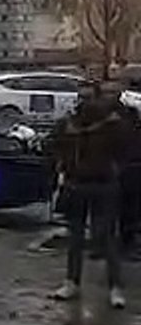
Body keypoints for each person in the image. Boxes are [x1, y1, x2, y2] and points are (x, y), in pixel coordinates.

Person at [49, 81, 128, 309]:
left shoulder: (113, 124)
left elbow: (127, 150)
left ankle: (115, 287)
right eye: (80, 97)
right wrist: (62, 166)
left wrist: (115, 169)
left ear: (98, 98)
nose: (84, 102)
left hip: (104, 184)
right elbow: (56, 146)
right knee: (75, 237)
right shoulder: (69, 123)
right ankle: (71, 281)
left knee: (107, 237)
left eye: (89, 97)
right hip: (76, 184)